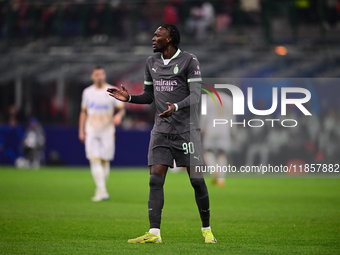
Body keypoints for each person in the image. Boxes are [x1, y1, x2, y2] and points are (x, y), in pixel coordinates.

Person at [107, 24, 216, 244]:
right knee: (155, 179)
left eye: (158, 35)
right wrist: (129, 99)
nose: (153, 38)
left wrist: (175, 107)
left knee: (196, 181)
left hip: (187, 130)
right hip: (161, 130)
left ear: (170, 39)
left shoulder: (189, 60)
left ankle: (206, 229)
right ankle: (154, 233)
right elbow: (148, 96)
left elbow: (196, 95)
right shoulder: (151, 62)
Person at [79, 66, 125, 202]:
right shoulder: (87, 92)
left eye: (101, 74)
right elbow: (83, 112)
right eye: (97, 74)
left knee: (105, 161)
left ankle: (100, 190)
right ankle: (103, 190)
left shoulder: (111, 90)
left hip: (107, 131)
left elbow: (121, 108)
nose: (99, 76)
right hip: (91, 131)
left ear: (104, 75)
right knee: (94, 159)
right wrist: (81, 130)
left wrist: (119, 116)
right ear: (92, 76)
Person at [201, 91, 234, 188]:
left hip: (211, 128)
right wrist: (233, 131)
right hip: (225, 129)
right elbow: (232, 117)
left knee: (207, 152)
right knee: (222, 153)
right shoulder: (229, 99)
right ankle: (221, 180)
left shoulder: (208, 98)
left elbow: (204, 115)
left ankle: (214, 169)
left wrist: (202, 128)